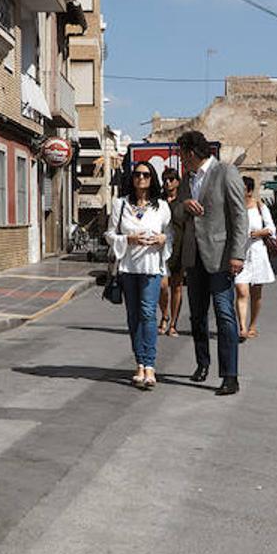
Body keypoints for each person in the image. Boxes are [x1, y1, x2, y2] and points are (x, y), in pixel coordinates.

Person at [172, 131, 248, 396]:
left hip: (221, 257)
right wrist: (185, 206)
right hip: (194, 258)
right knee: (196, 316)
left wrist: (238, 254)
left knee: (225, 315)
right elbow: (176, 212)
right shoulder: (187, 179)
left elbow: (240, 217)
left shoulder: (226, 172)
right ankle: (202, 363)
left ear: (190, 153)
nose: (181, 160)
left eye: (182, 154)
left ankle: (230, 375)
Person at [106, 160, 170, 389]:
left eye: (145, 175)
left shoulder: (161, 206)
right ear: (131, 179)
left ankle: (150, 364)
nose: (140, 178)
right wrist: (128, 240)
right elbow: (110, 234)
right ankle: (139, 363)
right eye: (137, 175)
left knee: (147, 313)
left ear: (152, 179)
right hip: (128, 268)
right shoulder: (120, 204)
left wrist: (163, 239)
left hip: (151, 267)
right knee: (133, 316)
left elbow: (170, 235)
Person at [235, 176, 276, 340]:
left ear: (249, 191)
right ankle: (242, 327)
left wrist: (259, 233)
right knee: (241, 289)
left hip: (257, 252)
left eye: (242, 189)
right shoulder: (234, 208)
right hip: (240, 253)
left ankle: (252, 324)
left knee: (256, 293)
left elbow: (271, 228)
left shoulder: (260, 207)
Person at [159, 167, 185, 336]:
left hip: (179, 247)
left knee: (177, 286)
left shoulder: (183, 201)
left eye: (171, 179)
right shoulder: (159, 201)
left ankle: (173, 322)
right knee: (162, 286)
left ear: (177, 181)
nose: (168, 183)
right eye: (165, 180)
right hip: (161, 248)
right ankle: (164, 315)